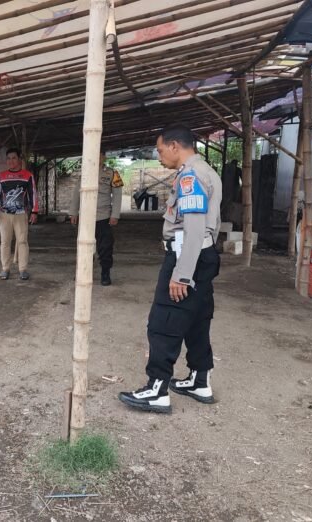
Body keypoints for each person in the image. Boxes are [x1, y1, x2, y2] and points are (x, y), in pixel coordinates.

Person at [119, 124, 221, 414]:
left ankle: (157, 390)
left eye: (161, 150)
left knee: (164, 321)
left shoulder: (190, 176)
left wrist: (182, 274)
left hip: (187, 256)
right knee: (197, 319)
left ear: (175, 146)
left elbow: (194, 228)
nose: (159, 155)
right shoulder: (206, 171)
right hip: (203, 255)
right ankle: (199, 380)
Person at [69, 151, 123, 285]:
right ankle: (83, 272)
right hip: (85, 217)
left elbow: (117, 195)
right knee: (84, 247)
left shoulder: (112, 173)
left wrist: (115, 215)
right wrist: (73, 212)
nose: (96, 158)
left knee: (105, 247)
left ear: (104, 157)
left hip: (103, 217)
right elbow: (77, 193)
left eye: (99, 155)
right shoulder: (85, 173)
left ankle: (105, 273)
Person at [0, 148, 38, 280]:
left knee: (22, 241)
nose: (11, 161)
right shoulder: (1, 176)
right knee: (5, 242)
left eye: (14, 158)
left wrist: (34, 211)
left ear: (19, 160)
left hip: (21, 214)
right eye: (8, 158)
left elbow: (33, 194)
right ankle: (5, 269)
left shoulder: (27, 175)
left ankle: (23, 269)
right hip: (4, 215)